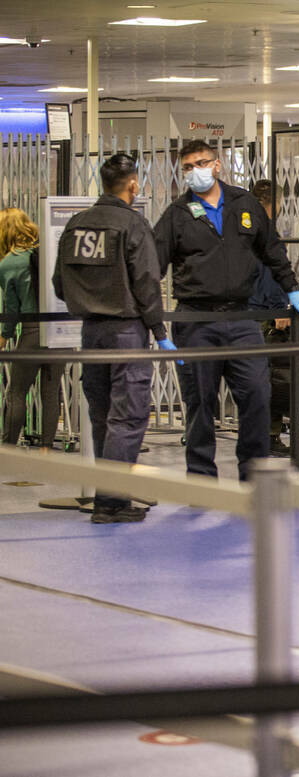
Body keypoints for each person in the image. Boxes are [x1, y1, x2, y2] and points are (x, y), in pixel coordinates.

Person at [154, 140, 299, 481]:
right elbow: (152, 266)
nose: (194, 172)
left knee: (257, 395)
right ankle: (201, 478)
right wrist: (155, 323)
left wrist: (292, 288)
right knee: (200, 404)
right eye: (187, 167)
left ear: (217, 164)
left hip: (243, 319)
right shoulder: (177, 215)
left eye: (200, 163)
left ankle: (253, 475)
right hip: (196, 321)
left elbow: (272, 249)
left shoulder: (244, 203)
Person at [52, 153, 175, 523]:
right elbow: (147, 285)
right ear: (133, 185)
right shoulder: (133, 225)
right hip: (126, 332)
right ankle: (112, 502)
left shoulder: (77, 224)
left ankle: (107, 494)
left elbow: (60, 284)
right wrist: (158, 330)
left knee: (103, 414)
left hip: (91, 333)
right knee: (129, 414)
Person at [0, 208, 64, 451]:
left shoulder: (9, 264)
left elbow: (11, 307)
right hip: (58, 330)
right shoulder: (48, 252)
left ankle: (8, 448)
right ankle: (47, 447)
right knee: (51, 390)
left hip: (31, 332)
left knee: (17, 392)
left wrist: (5, 336)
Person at [249, 179, 299, 457]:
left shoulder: (241, 229)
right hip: (265, 313)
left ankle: (263, 434)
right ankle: (267, 436)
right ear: (275, 204)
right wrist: (281, 307)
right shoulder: (265, 231)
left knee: (259, 377)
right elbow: (270, 274)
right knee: (271, 377)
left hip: (248, 311)